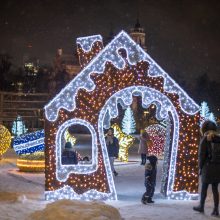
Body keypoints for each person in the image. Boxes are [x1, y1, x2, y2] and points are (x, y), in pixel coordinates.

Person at [193, 120, 220, 216]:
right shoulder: (218, 138)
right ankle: (216, 210)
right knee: (215, 188)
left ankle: (201, 206)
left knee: (204, 187)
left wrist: (200, 167)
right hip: (217, 167)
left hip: (207, 167)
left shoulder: (205, 138)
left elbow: (201, 155)